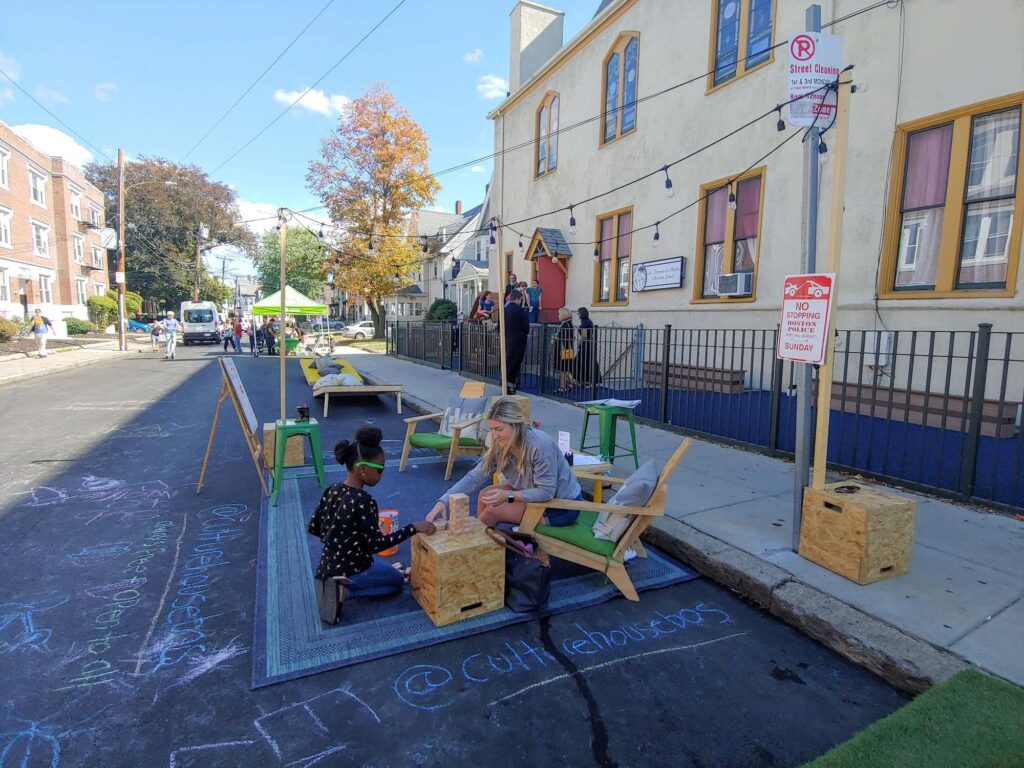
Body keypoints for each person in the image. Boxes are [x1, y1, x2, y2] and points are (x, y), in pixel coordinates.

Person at [308, 426, 436, 623]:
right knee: (397, 583)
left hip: (328, 563)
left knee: (389, 571)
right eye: (379, 469)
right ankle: (345, 591)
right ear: (362, 469)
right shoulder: (364, 501)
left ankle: (336, 582)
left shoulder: (332, 489)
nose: (382, 475)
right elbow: (377, 545)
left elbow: (315, 527)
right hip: (356, 566)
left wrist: (344, 540)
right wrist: (413, 527)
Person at [427, 396, 583, 528]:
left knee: (493, 511)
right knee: (485, 496)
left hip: (560, 507)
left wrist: (508, 495)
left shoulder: (540, 446)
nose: (494, 436)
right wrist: (443, 500)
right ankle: (488, 544)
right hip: (532, 491)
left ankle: (474, 547)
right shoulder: (501, 445)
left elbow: (546, 492)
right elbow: (475, 477)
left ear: (516, 426)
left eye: (499, 429)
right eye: (492, 429)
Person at [503, 289, 531, 395]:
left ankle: (504, 382)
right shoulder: (521, 311)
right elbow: (526, 328)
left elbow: (499, 326)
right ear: (518, 299)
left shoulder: (504, 310)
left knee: (506, 361)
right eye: (521, 299)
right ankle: (511, 385)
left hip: (506, 339)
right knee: (515, 363)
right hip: (518, 341)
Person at [576, 306, 602, 386]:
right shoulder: (588, 321)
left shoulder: (585, 322)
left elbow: (584, 336)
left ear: (581, 314)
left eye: (578, 313)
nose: (577, 315)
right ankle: (588, 380)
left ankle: (589, 381)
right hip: (589, 344)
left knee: (585, 361)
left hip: (586, 345)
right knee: (589, 361)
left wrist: (579, 343)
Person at [555, 307, 577, 392]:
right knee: (566, 368)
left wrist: (561, 349)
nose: (558, 316)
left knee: (562, 369)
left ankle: (562, 387)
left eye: (559, 314)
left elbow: (564, 339)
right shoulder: (568, 324)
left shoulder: (565, 325)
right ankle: (572, 382)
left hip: (563, 350)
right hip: (566, 349)